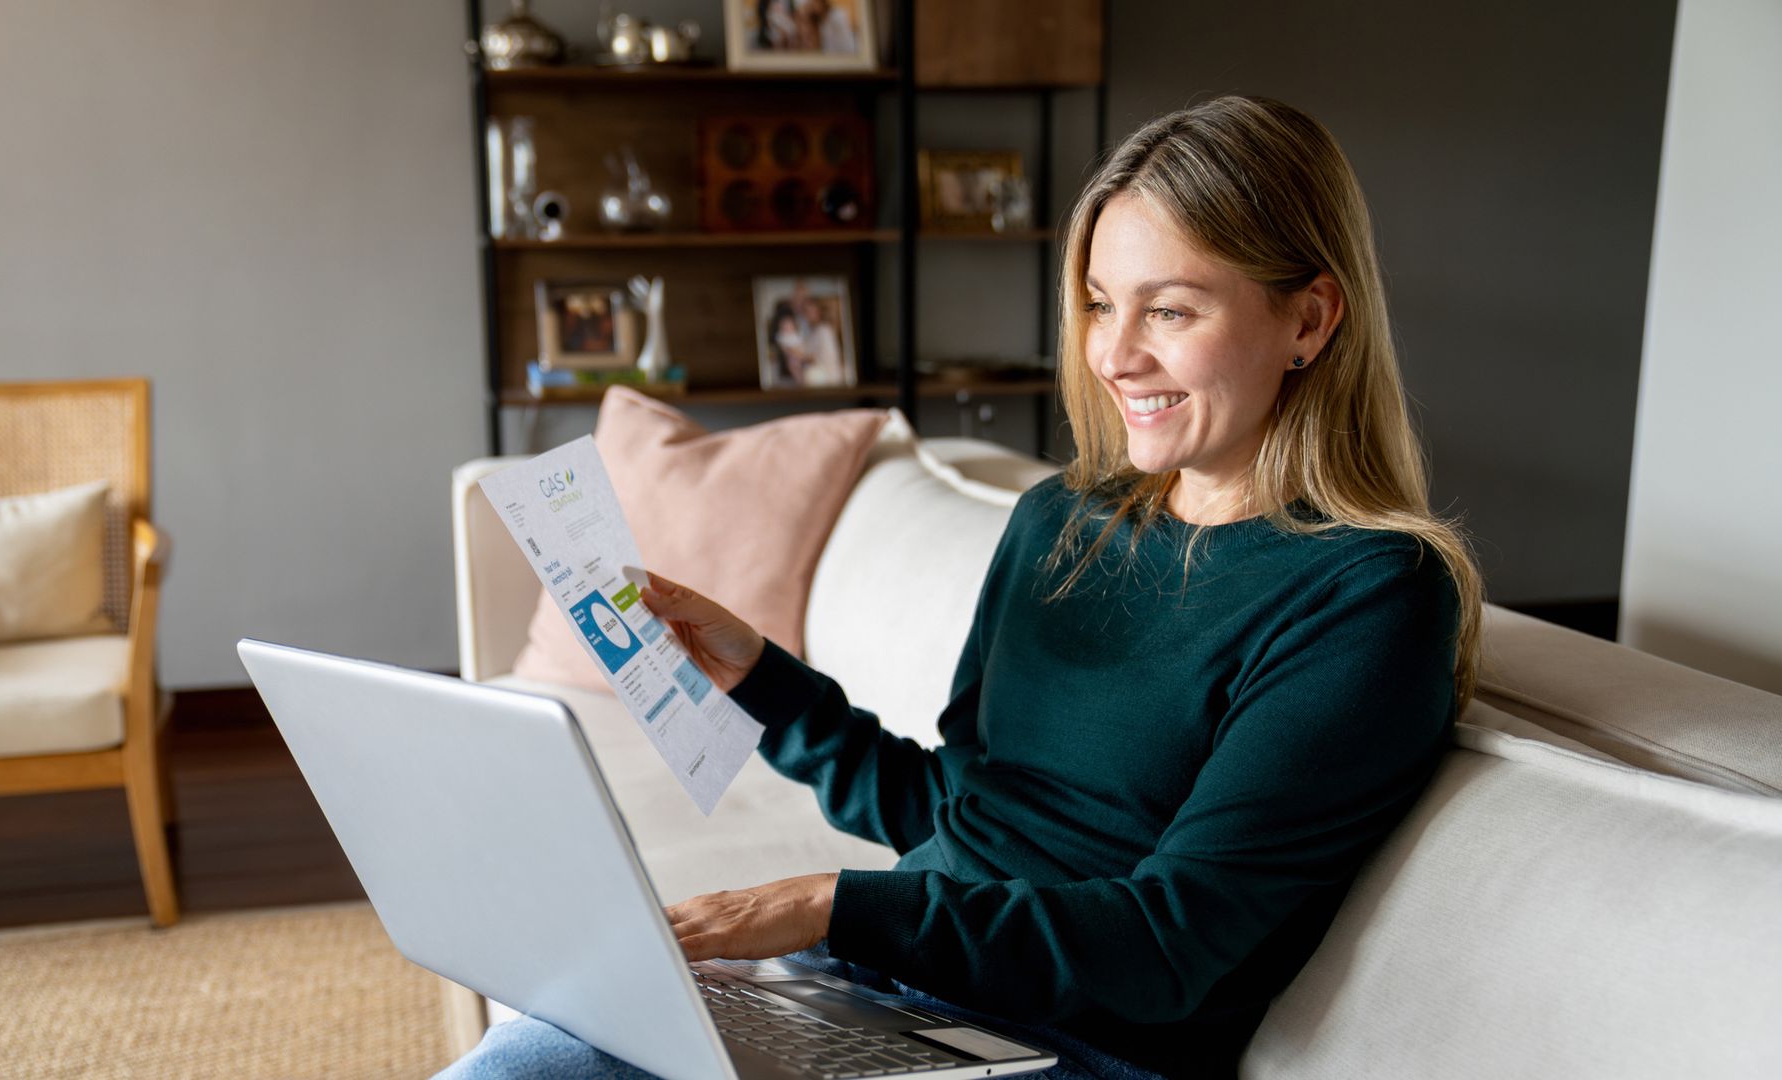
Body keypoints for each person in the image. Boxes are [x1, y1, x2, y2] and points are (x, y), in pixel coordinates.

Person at [438, 95, 1483, 1080]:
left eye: (1169, 309)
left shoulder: (1369, 596)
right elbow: (960, 808)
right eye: (1097, 304)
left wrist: (829, 908)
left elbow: (1171, 945)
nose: (1114, 354)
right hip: (887, 992)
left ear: (1309, 320)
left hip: (1070, 1048)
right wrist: (760, 681)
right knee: (545, 1047)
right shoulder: (1062, 522)